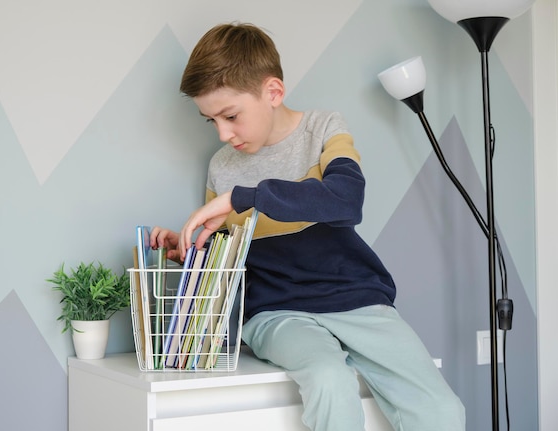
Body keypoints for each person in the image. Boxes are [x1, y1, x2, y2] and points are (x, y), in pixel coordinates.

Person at [150, 22, 465, 431]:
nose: (224, 133)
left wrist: (245, 197)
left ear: (273, 93)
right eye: (212, 121)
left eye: (231, 115)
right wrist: (189, 250)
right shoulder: (222, 168)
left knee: (442, 411)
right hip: (276, 311)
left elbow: (345, 201)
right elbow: (229, 254)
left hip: (356, 298)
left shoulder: (323, 129)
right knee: (329, 380)